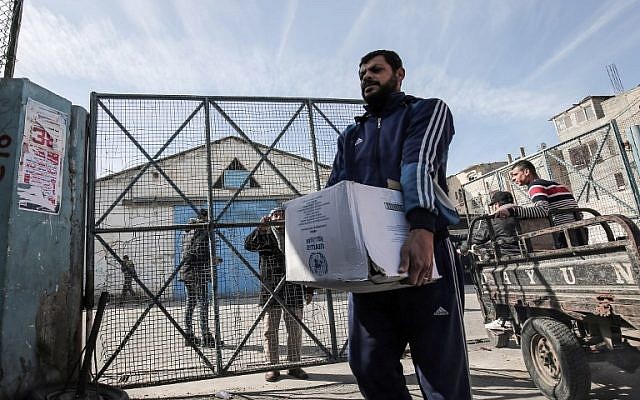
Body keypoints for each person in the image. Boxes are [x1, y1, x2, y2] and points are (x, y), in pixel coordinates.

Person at [326, 50, 472, 399]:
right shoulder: (350, 135)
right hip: (370, 268)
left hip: (425, 247)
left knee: (441, 374)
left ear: (399, 74)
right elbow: (337, 190)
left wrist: (420, 229)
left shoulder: (427, 110)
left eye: (376, 70)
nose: (367, 77)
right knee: (368, 364)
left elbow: (418, 164)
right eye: (362, 74)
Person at [244, 207, 314, 383]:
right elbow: (248, 245)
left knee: (295, 330)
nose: (280, 217)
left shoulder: (296, 235)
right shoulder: (265, 235)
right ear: (270, 218)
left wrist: (309, 288)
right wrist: (260, 229)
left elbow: (305, 261)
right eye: (276, 215)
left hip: (294, 288)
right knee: (270, 330)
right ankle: (272, 367)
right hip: (271, 289)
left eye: (283, 215)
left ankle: (294, 365)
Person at [494, 159, 588, 248]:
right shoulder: (557, 185)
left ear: (526, 172)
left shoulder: (535, 186)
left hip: (564, 235)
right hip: (580, 231)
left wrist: (512, 211)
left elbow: (542, 210)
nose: (513, 179)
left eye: (515, 174)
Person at [180, 209, 221, 347]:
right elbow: (199, 252)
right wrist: (212, 260)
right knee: (203, 304)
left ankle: (189, 335)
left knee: (191, 303)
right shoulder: (202, 231)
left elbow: (189, 253)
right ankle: (206, 337)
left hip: (187, 272)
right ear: (206, 218)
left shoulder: (188, 231)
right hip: (198, 273)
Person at [469, 191, 520, 255]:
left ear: (497, 204)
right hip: (529, 251)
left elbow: (479, 239)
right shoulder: (523, 213)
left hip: (507, 256)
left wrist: (465, 243)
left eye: (494, 205)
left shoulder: (495, 220)